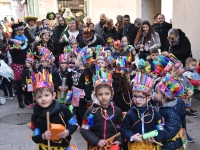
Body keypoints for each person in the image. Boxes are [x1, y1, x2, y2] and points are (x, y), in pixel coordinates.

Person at [30, 70, 78, 149]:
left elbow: (74, 124)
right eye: (39, 97)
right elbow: (35, 137)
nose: (43, 99)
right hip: (45, 147)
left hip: (62, 147)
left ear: (53, 95)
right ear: (35, 99)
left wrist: (67, 132)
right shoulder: (35, 115)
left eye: (46, 95)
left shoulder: (63, 109)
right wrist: (43, 136)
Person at [80, 68, 122, 149]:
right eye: (100, 94)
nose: (104, 97)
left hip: (111, 147)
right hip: (95, 147)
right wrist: (97, 141)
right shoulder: (91, 111)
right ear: (95, 95)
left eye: (107, 94)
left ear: (111, 94)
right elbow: (85, 129)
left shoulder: (117, 111)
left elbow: (120, 129)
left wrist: (118, 140)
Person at [121, 72, 162, 149]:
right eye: (135, 96)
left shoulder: (154, 113)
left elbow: (160, 129)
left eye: (141, 97)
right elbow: (124, 129)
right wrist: (131, 136)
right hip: (135, 146)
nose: (137, 100)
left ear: (148, 98)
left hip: (150, 146)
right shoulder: (130, 113)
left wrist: (155, 138)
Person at [154, 74, 186, 149]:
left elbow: (170, 132)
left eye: (156, 92)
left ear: (164, 96)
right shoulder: (166, 104)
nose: (154, 94)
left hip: (170, 145)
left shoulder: (171, 112)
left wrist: (156, 137)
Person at [9, 20, 29, 108]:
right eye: (19, 30)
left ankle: (27, 99)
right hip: (18, 64)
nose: (21, 31)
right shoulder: (12, 40)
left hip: (27, 63)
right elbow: (11, 52)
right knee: (19, 82)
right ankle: (20, 101)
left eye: (22, 29)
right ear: (16, 31)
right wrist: (15, 47)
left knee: (27, 82)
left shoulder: (25, 38)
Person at [72, 46, 93, 126]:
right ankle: (80, 123)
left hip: (81, 96)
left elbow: (87, 85)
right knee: (76, 110)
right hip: (75, 94)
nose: (75, 61)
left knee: (82, 111)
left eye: (77, 59)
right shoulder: (77, 70)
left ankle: (84, 124)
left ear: (81, 62)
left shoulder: (85, 73)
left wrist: (88, 97)